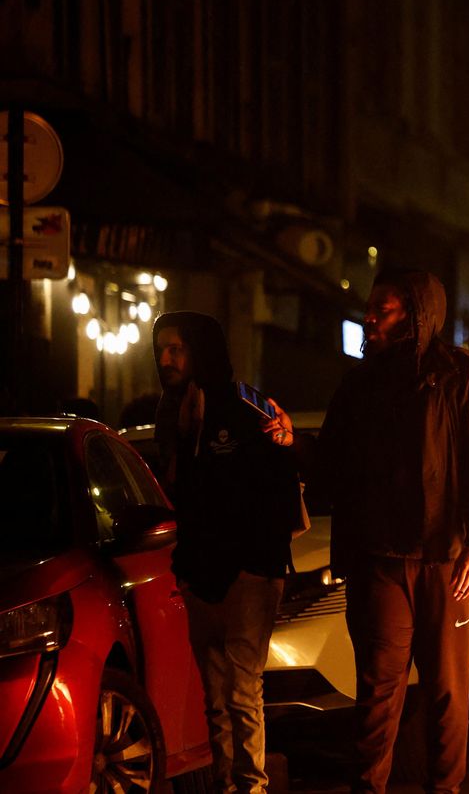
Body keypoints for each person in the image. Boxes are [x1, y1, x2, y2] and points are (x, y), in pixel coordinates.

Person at [285, 269, 469, 794]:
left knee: (447, 692)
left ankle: (444, 789)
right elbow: (331, 465)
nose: (369, 318)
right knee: (378, 691)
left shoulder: (462, 376)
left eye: (381, 310)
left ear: (414, 316)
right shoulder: (359, 383)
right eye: (371, 308)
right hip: (380, 560)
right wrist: (292, 441)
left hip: (448, 562)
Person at [150, 311, 301, 794]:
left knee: (241, 690)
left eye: (177, 348)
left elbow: (278, 488)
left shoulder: (245, 407)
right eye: (161, 350)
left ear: (201, 350)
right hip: (201, 573)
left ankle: (251, 785)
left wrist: (260, 565)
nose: (166, 359)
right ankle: (225, 784)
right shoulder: (169, 412)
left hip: (248, 574)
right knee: (215, 696)